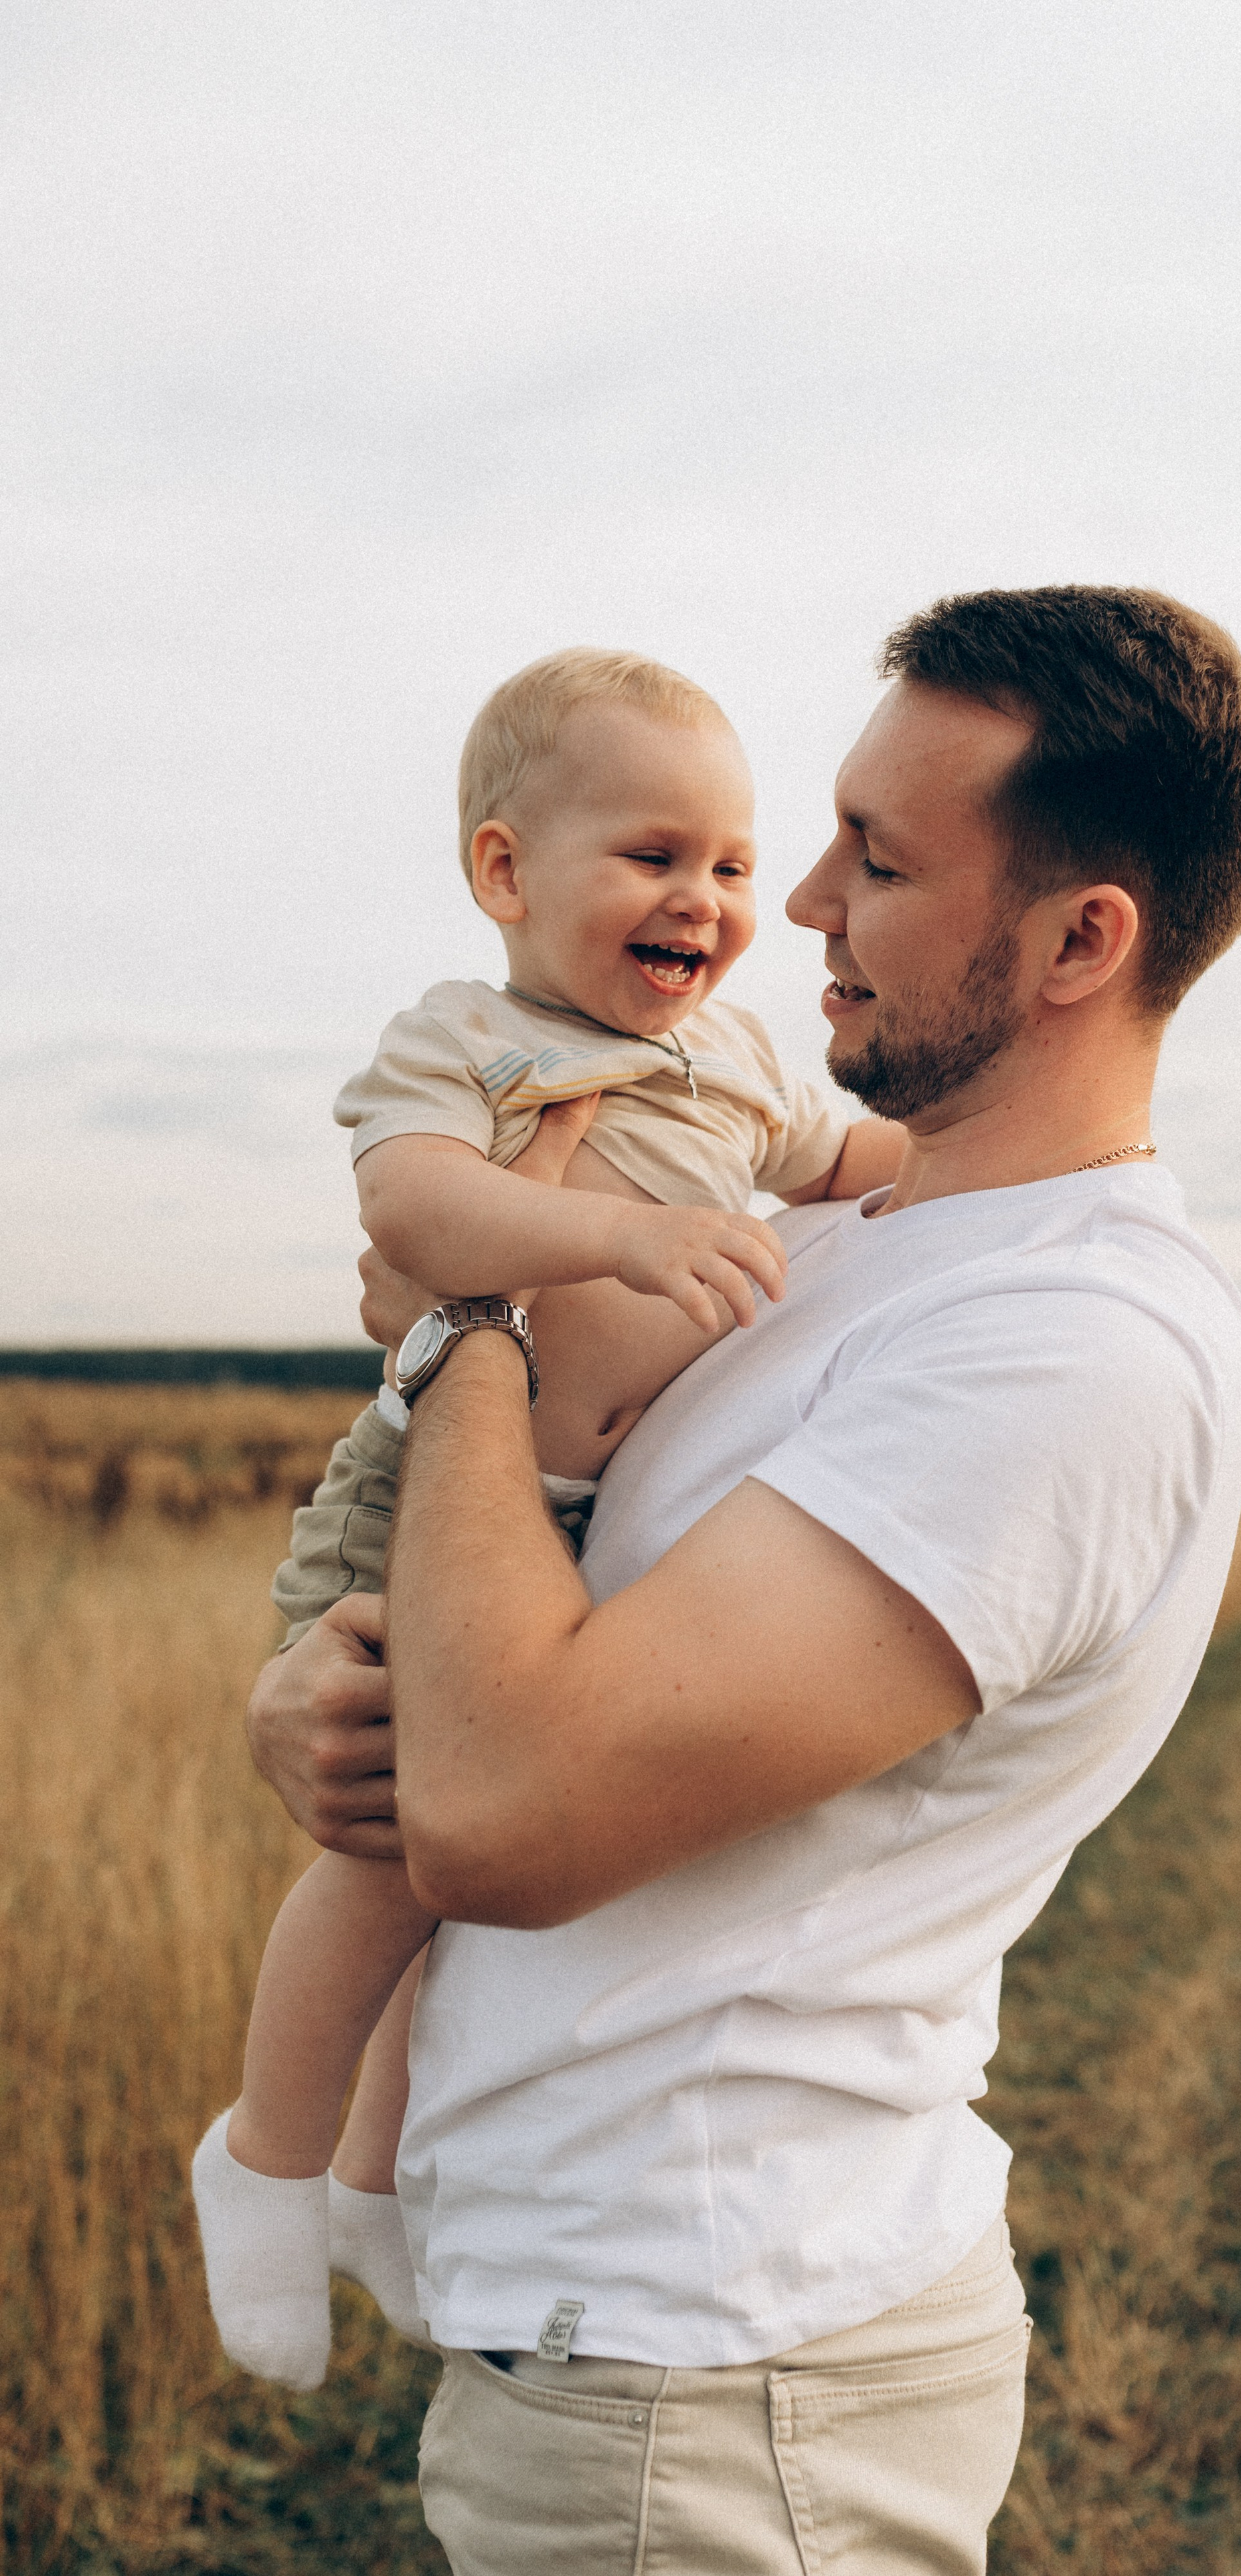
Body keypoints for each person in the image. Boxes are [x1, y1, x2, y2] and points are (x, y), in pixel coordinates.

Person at [245, 584, 1241, 2575]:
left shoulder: (1071, 1342)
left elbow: (505, 1813)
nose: (794, 901)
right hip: (628, 2342)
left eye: (875, 859)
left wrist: (468, 1304)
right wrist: (318, 1699)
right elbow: (487, 1657)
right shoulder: (834, 1251)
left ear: (1084, 942)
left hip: (712, 2393)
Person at [193, 645, 904, 2391]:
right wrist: (611, 1238)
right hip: (430, 1495)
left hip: (582, 1527)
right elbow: (414, 1203)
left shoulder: (740, 1057)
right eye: (655, 856)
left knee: (471, 1882)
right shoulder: (474, 1039)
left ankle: (376, 2183)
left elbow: (863, 1159)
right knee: (384, 1861)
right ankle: (265, 2166)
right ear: (507, 871)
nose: (711, 899)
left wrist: (1017, 1170)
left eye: (733, 865)